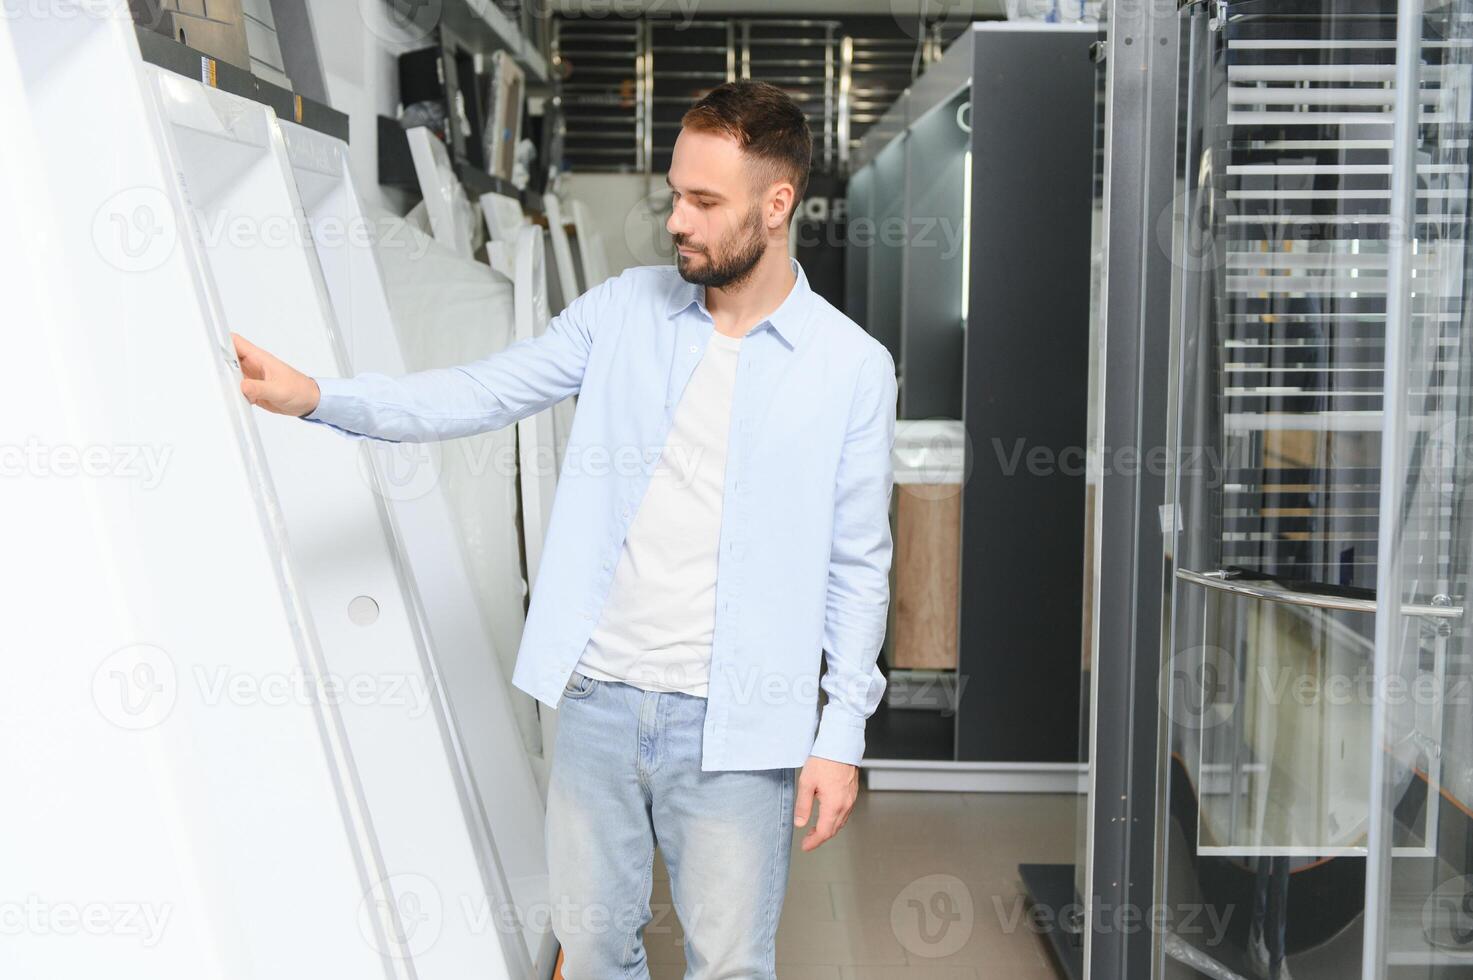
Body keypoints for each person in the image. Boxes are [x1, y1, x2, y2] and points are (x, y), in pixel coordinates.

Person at [232, 79, 898, 979]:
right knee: (589, 955)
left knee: (733, 966)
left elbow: (858, 566)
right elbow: (479, 390)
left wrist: (838, 735)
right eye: (675, 195)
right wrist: (319, 397)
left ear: (776, 204)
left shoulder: (851, 368)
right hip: (596, 706)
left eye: (705, 201)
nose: (678, 221)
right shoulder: (621, 312)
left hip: (740, 727)